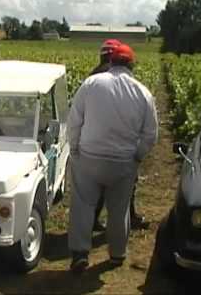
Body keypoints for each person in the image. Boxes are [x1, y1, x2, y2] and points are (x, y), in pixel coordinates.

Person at [67, 43, 158, 273]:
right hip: (123, 162)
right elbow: (150, 135)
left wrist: (75, 150)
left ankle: (80, 253)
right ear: (131, 64)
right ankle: (117, 254)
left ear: (110, 62)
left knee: (83, 206)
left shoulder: (91, 84)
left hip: (89, 158)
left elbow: (74, 121)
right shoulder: (143, 92)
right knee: (119, 210)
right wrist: (137, 157)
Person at [89, 39, 122, 232]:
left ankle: (92, 220)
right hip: (114, 137)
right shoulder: (116, 77)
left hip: (93, 138)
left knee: (96, 185)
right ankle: (121, 223)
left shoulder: (92, 76)